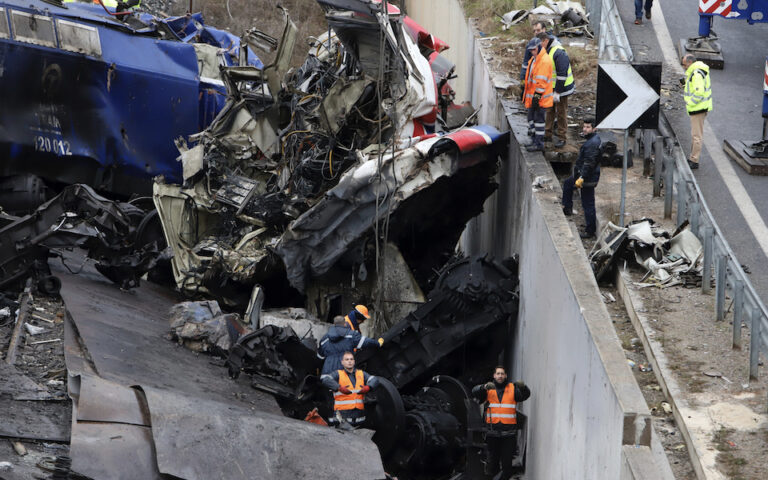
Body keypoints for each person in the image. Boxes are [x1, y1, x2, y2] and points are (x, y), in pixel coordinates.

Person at [472, 366, 531, 480]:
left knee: (507, 466)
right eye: (498, 374)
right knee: (492, 465)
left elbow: (525, 395)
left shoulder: (512, 389)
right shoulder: (488, 389)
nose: (500, 376)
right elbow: (474, 392)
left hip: (508, 435)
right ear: (494, 376)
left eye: (502, 374)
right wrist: (483, 387)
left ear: (505, 376)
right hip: (492, 434)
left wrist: (523, 387)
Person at [562, 117, 601, 239]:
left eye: (588, 127)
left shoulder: (592, 144)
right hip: (583, 175)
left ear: (594, 129)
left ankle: (590, 231)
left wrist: (582, 177)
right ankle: (567, 208)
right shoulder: (592, 140)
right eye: (584, 127)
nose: (584, 129)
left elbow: (589, 163)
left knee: (588, 203)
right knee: (568, 184)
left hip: (588, 178)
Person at [321, 351, 379, 428]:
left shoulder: (361, 374)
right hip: (342, 420)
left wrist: (368, 387)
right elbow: (325, 379)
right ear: (342, 362)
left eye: (351, 359)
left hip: (359, 419)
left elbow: (374, 379)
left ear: (354, 362)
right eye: (347, 359)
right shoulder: (338, 374)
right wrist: (339, 388)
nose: (349, 361)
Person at [317, 316, 382, 374]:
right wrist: (377, 343)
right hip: (345, 372)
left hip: (328, 374)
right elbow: (366, 342)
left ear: (334, 324)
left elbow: (319, 358)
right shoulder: (351, 335)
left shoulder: (324, 340)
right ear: (345, 324)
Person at [541, 35, 574, 148]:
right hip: (551, 87)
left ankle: (562, 137)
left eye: (541, 43)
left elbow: (562, 74)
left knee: (561, 112)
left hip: (562, 88)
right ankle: (547, 133)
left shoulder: (559, 52)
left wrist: (558, 92)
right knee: (549, 110)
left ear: (546, 41)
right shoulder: (548, 50)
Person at [523, 33, 555, 152]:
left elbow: (541, 83)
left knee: (539, 121)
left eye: (534, 49)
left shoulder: (544, 61)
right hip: (534, 97)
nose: (532, 52)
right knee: (531, 118)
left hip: (540, 99)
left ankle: (539, 143)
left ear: (539, 47)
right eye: (531, 50)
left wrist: (536, 98)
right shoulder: (535, 59)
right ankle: (534, 139)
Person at [681, 54, 712, 170]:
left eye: (684, 64)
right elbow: (694, 87)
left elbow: (699, 93)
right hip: (700, 107)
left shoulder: (696, 74)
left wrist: (690, 102)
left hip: (698, 108)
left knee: (696, 136)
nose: (683, 67)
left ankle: (694, 160)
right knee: (696, 135)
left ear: (689, 63)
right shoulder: (697, 71)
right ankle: (692, 157)